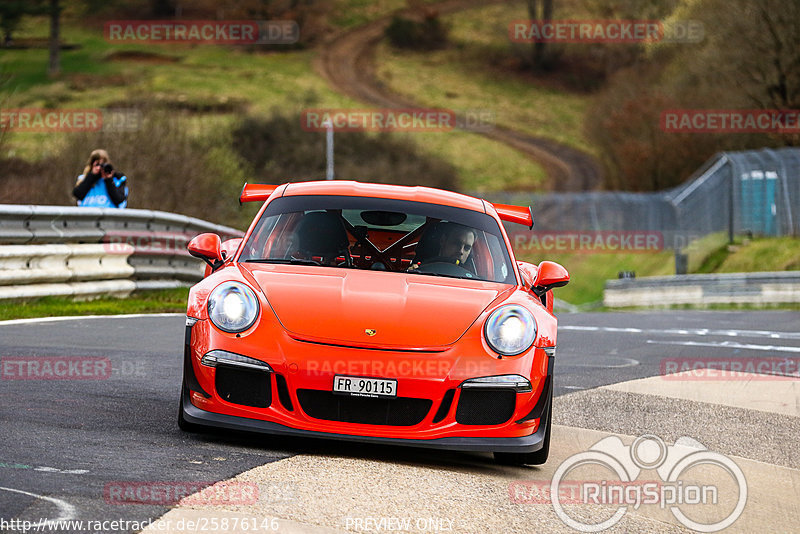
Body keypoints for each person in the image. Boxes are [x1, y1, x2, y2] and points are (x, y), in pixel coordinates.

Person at [409, 221, 477, 271]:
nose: (461, 251)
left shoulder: (474, 280)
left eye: (467, 248)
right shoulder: (418, 270)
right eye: (456, 243)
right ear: (443, 240)